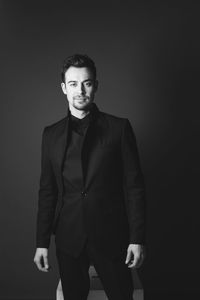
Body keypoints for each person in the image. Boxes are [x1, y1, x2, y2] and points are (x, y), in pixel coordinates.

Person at [34, 54, 146, 300]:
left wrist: (137, 238)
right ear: (64, 88)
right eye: (73, 84)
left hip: (112, 237)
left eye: (86, 83)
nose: (80, 90)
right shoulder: (50, 135)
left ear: (95, 85)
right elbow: (47, 191)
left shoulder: (119, 128)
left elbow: (134, 187)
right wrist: (41, 242)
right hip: (68, 238)